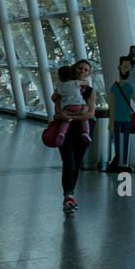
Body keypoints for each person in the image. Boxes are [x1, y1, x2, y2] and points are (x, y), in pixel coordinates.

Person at [54, 59, 97, 214]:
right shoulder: (65, 87)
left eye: (85, 70)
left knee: (76, 163)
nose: (82, 71)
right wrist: (71, 116)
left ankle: (70, 194)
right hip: (66, 131)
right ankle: (69, 196)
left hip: (81, 130)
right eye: (79, 68)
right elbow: (57, 110)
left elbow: (91, 113)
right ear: (74, 70)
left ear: (89, 73)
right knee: (68, 162)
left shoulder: (90, 91)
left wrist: (70, 117)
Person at [107, 56, 135, 173]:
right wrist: (111, 122)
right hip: (118, 118)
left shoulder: (129, 87)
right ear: (119, 67)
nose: (127, 70)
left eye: (129, 68)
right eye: (125, 67)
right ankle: (118, 162)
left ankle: (123, 163)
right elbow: (112, 105)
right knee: (118, 142)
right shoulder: (114, 87)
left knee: (126, 142)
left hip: (126, 118)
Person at [51, 65, 92, 146]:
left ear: (60, 77)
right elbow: (86, 83)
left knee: (65, 120)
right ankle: (86, 133)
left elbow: (53, 97)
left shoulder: (59, 86)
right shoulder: (75, 83)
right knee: (84, 119)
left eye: (85, 70)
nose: (82, 71)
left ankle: (61, 133)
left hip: (66, 107)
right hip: (78, 106)